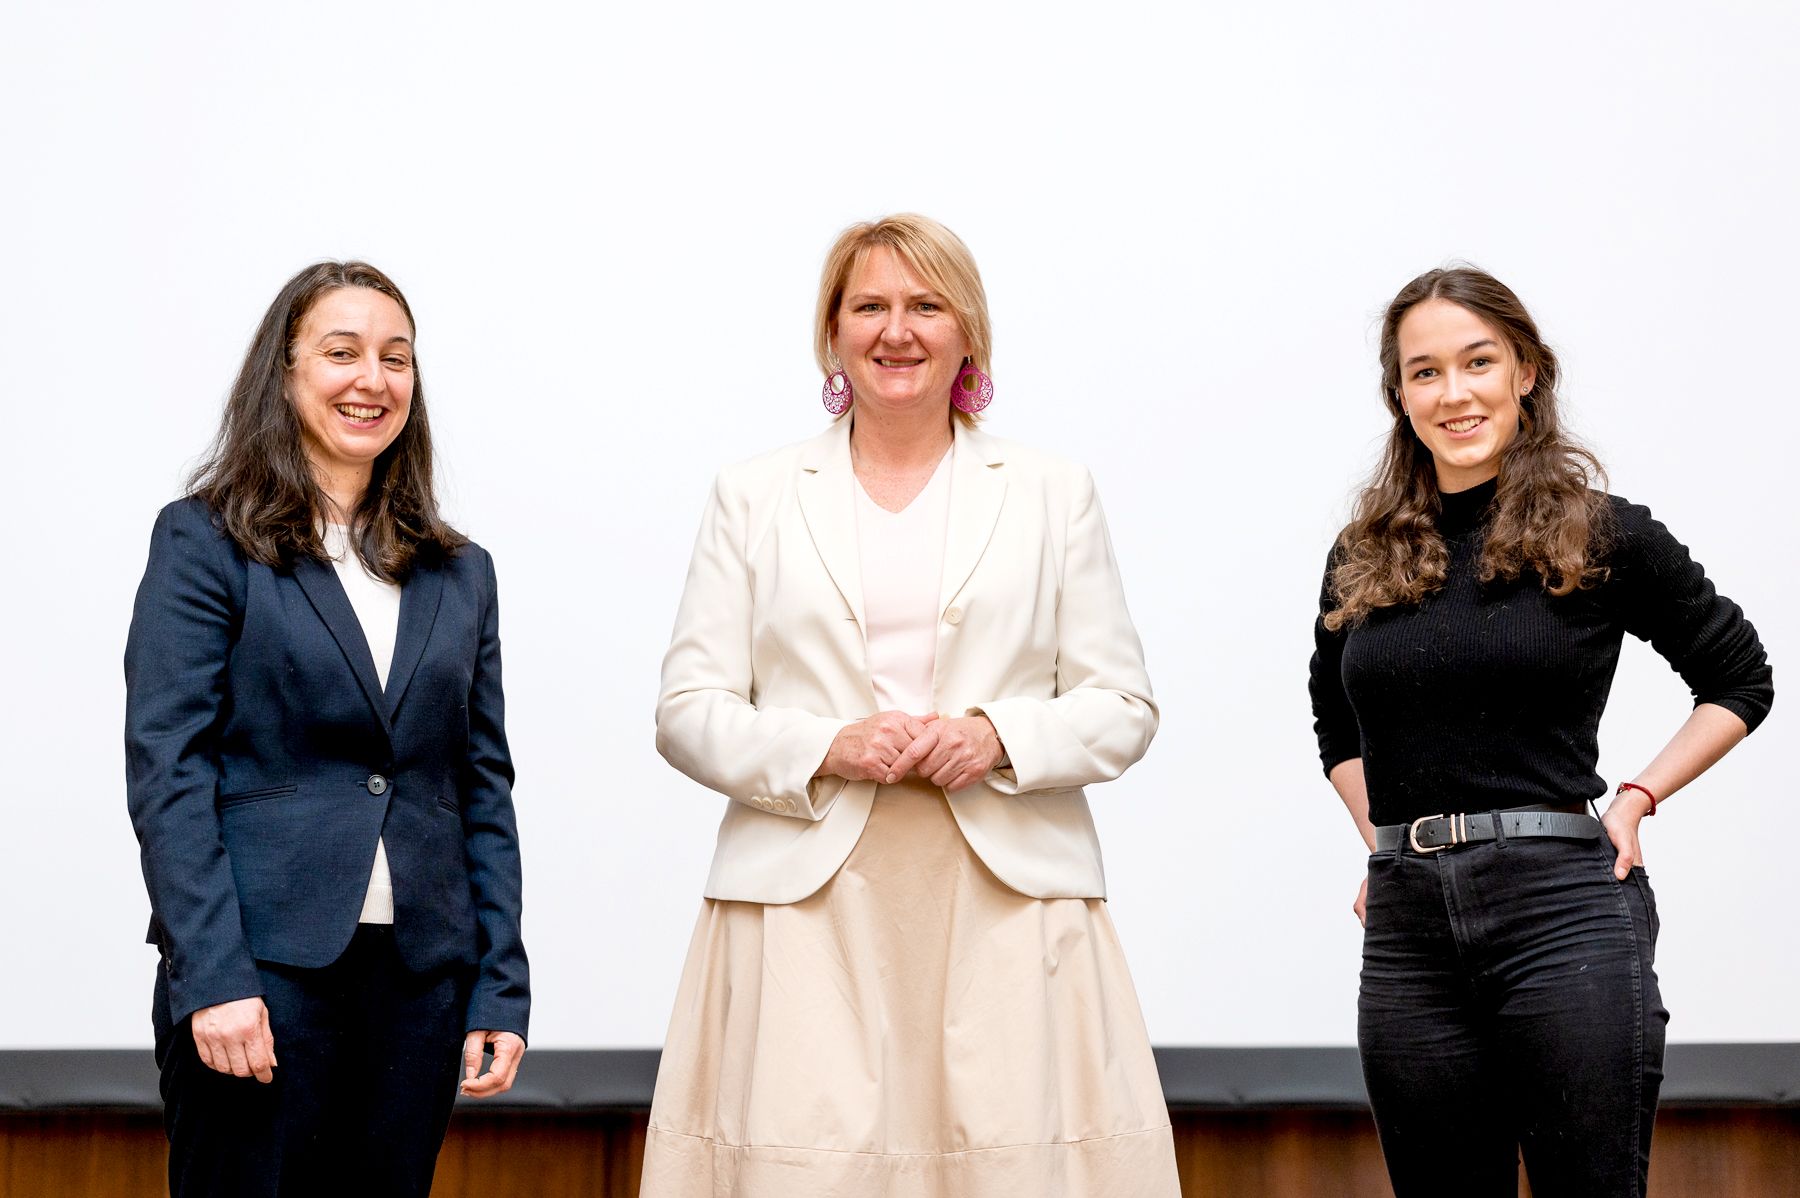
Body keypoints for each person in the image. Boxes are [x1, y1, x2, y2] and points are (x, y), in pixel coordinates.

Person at [641, 214, 1179, 1196]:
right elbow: (686, 708)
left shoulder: (1057, 491)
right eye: (870, 306)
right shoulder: (751, 493)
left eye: (927, 305)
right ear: (833, 333)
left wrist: (997, 735)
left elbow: (1124, 703)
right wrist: (826, 744)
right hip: (804, 903)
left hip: (1009, 899)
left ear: (967, 332)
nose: (899, 330)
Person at [1309, 266, 1773, 1197]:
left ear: (1525, 371)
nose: (1455, 393)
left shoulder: (1602, 533)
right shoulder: (1364, 553)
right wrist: (1386, 844)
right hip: (1407, 931)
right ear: (1400, 396)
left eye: (1478, 362)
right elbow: (1336, 725)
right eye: (1425, 371)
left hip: (1562, 910)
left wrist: (1637, 799)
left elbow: (1739, 678)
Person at [124, 261, 530, 1197]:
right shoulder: (203, 543)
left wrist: (499, 981)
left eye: (397, 358)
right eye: (341, 353)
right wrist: (213, 977)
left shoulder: (461, 573)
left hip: (422, 981)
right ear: (286, 373)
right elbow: (168, 773)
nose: (373, 380)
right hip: (261, 976)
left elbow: (481, 785)